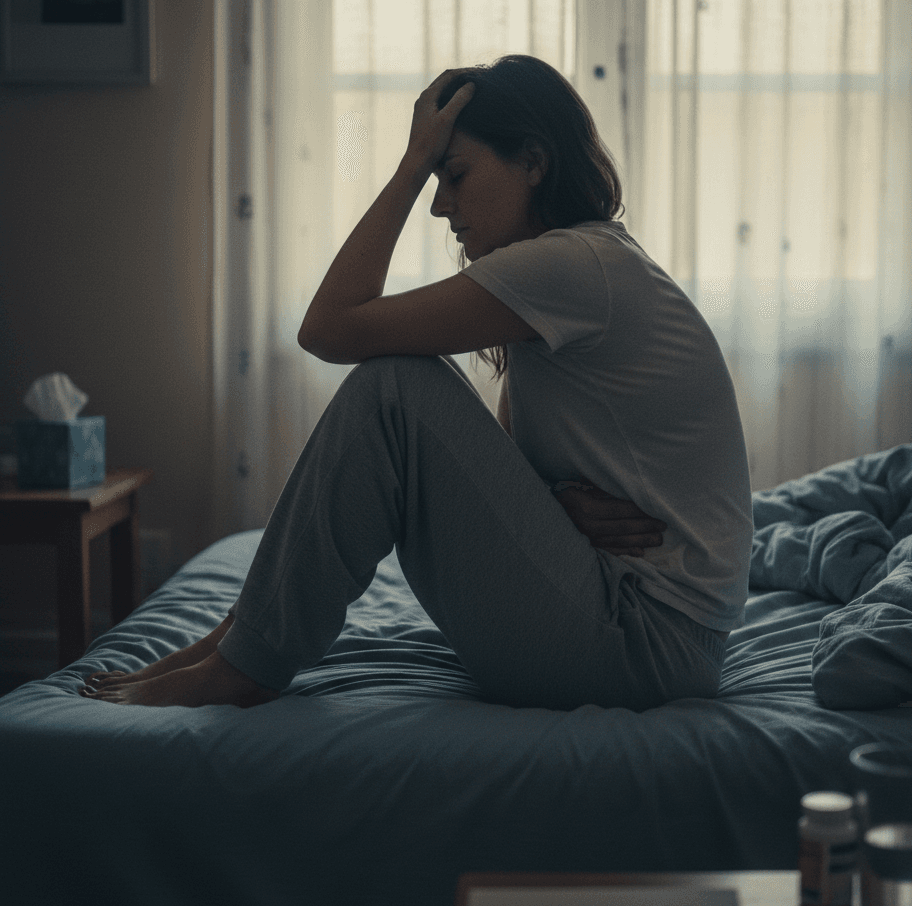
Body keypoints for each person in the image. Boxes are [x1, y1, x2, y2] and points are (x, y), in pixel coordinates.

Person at [80, 55, 752, 711]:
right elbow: (504, 486)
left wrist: (406, 168)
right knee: (399, 386)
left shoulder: (575, 267)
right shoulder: (568, 287)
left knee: (395, 388)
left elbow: (329, 328)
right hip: (641, 631)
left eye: (453, 174)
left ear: (533, 162)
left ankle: (245, 666)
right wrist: (556, 507)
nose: (439, 206)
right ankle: (236, 642)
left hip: (645, 643)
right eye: (432, 177)